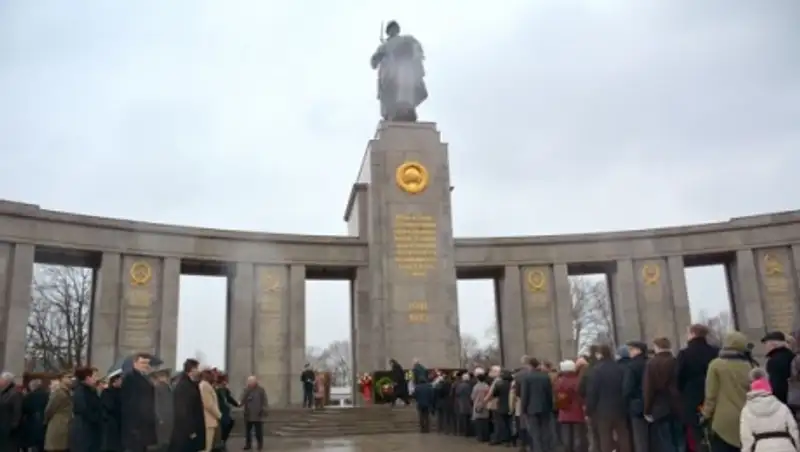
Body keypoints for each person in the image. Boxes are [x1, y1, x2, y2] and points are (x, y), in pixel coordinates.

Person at [700, 331, 753, 452]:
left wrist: (705, 415)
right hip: (747, 417)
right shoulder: (750, 365)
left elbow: (711, 395)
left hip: (723, 421)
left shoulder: (716, 365)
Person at [676, 324, 719, 452]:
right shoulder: (715, 351)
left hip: (692, 397)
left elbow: (679, 377)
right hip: (714, 396)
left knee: (696, 434)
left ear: (693, 334)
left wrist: (683, 392)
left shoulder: (684, 354)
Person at [740, 367, 799, 452]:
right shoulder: (781, 406)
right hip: (786, 447)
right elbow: (794, 431)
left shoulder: (746, 411)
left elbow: (746, 438)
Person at [586, 344, 631, 452]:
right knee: (623, 436)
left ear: (600, 355)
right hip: (620, 407)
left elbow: (593, 392)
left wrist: (589, 411)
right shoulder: (619, 368)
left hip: (603, 410)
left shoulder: (597, 370)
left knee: (605, 438)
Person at [643, 337, 684, 452]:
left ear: (657, 347)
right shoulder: (676, 362)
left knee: (666, 441)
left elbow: (648, 389)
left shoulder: (651, 364)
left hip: (659, 407)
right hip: (677, 405)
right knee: (679, 439)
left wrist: (647, 410)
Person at [520, 357, 557, 452]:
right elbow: (549, 393)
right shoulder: (545, 376)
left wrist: (523, 409)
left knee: (535, 433)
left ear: (529, 365)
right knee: (545, 431)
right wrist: (550, 406)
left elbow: (525, 395)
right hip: (545, 408)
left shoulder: (526, 377)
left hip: (531, 409)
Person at [121, 353, 157, 452]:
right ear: (135, 363)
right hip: (136, 425)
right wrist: (133, 426)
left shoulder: (146, 378)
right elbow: (127, 402)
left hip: (145, 424)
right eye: (142, 363)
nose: (145, 365)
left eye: (147, 363)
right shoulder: (130, 378)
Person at [170, 359, 205, 452]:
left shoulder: (191, 384)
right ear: (191, 370)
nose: (199, 370)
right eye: (197, 368)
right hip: (186, 432)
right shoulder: (184, 386)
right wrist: (191, 430)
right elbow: (183, 410)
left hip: (191, 429)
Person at [623, 341, 649, 452]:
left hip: (637, 405)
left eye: (631, 349)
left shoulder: (632, 366)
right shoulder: (649, 362)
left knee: (640, 438)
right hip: (653, 404)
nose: (630, 352)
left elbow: (627, 388)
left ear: (638, 350)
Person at [555, 360, 586, 452]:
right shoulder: (579, 380)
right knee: (578, 436)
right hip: (578, 412)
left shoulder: (561, 381)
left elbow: (559, 398)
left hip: (565, 412)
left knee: (567, 437)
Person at [70, 367, 103, 452]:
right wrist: (96, 418)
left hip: (91, 428)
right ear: (88, 378)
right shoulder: (80, 391)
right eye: (95, 376)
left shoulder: (91, 390)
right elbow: (83, 409)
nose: (97, 378)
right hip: (84, 429)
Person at [761, 331, 795, 405]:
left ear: (773, 344)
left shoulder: (774, 361)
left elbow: (776, 385)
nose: (765, 347)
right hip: (794, 398)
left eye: (766, 344)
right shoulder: (791, 355)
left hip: (782, 401)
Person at [44, 373, 73, 452]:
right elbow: (49, 409)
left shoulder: (68, 392)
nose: (71, 379)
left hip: (65, 426)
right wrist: (46, 420)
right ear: (62, 378)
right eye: (69, 377)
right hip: (58, 426)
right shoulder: (59, 392)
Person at [240, 375, 268, 451]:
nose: (250, 384)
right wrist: (241, 402)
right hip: (248, 414)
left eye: (251, 383)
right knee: (248, 431)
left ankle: (260, 445)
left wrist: (264, 409)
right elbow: (242, 400)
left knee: (258, 431)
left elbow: (265, 400)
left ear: (255, 382)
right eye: (249, 383)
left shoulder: (261, 390)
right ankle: (248, 444)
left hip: (258, 414)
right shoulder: (246, 390)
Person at [21, 378, 48, 452]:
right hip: (45, 423)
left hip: (32, 423)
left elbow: (24, 409)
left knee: (33, 445)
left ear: (32, 387)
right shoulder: (47, 394)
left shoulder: (29, 396)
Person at [151, 369, 174, 452]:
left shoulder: (168, 387)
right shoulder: (159, 388)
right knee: (162, 443)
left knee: (166, 442)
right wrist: (159, 417)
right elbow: (156, 403)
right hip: (163, 419)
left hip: (168, 419)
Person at [198, 370, 221, 452]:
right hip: (208, 419)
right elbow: (208, 404)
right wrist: (218, 415)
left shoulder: (204, 385)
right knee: (207, 447)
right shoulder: (205, 386)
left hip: (208, 419)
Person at [0, 371, 23, 451]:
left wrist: (13, 426)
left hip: (8, 430)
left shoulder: (14, 394)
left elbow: (17, 411)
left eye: (1, 379)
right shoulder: (3, 392)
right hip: (2, 428)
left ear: (7, 381)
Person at [100, 372, 122, 452]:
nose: (122, 381)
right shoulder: (107, 392)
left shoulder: (122, 391)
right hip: (111, 424)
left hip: (120, 424)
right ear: (115, 381)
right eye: (120, 379)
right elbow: (109, 406)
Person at [214, 374, 239, 446]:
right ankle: (220, 442)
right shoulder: (217, 390)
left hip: (225, 412)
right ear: (222, 381)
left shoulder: (225, 390)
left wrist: (237, 404)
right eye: (225, 381)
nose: (227, 382)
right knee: (224, 426)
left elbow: (229, 398)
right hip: (220, 411)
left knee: (230, 423)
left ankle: (223, 441)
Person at [471, 370, 491, 442]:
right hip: (485, 405)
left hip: (477, 405)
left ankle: (480, 437)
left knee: (478, 423)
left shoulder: (476, 387)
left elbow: (473, 397)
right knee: (485, 422)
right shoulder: (487, 386)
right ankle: (486, 437)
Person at [454, 373, 473, 437]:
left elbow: (457, 393)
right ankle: (468, 432)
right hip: (469, 403)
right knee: (468, 419)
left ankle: (463, 431)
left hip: (461, 403)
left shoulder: (460, 386)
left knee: (462, 418)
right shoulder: (469, 386)